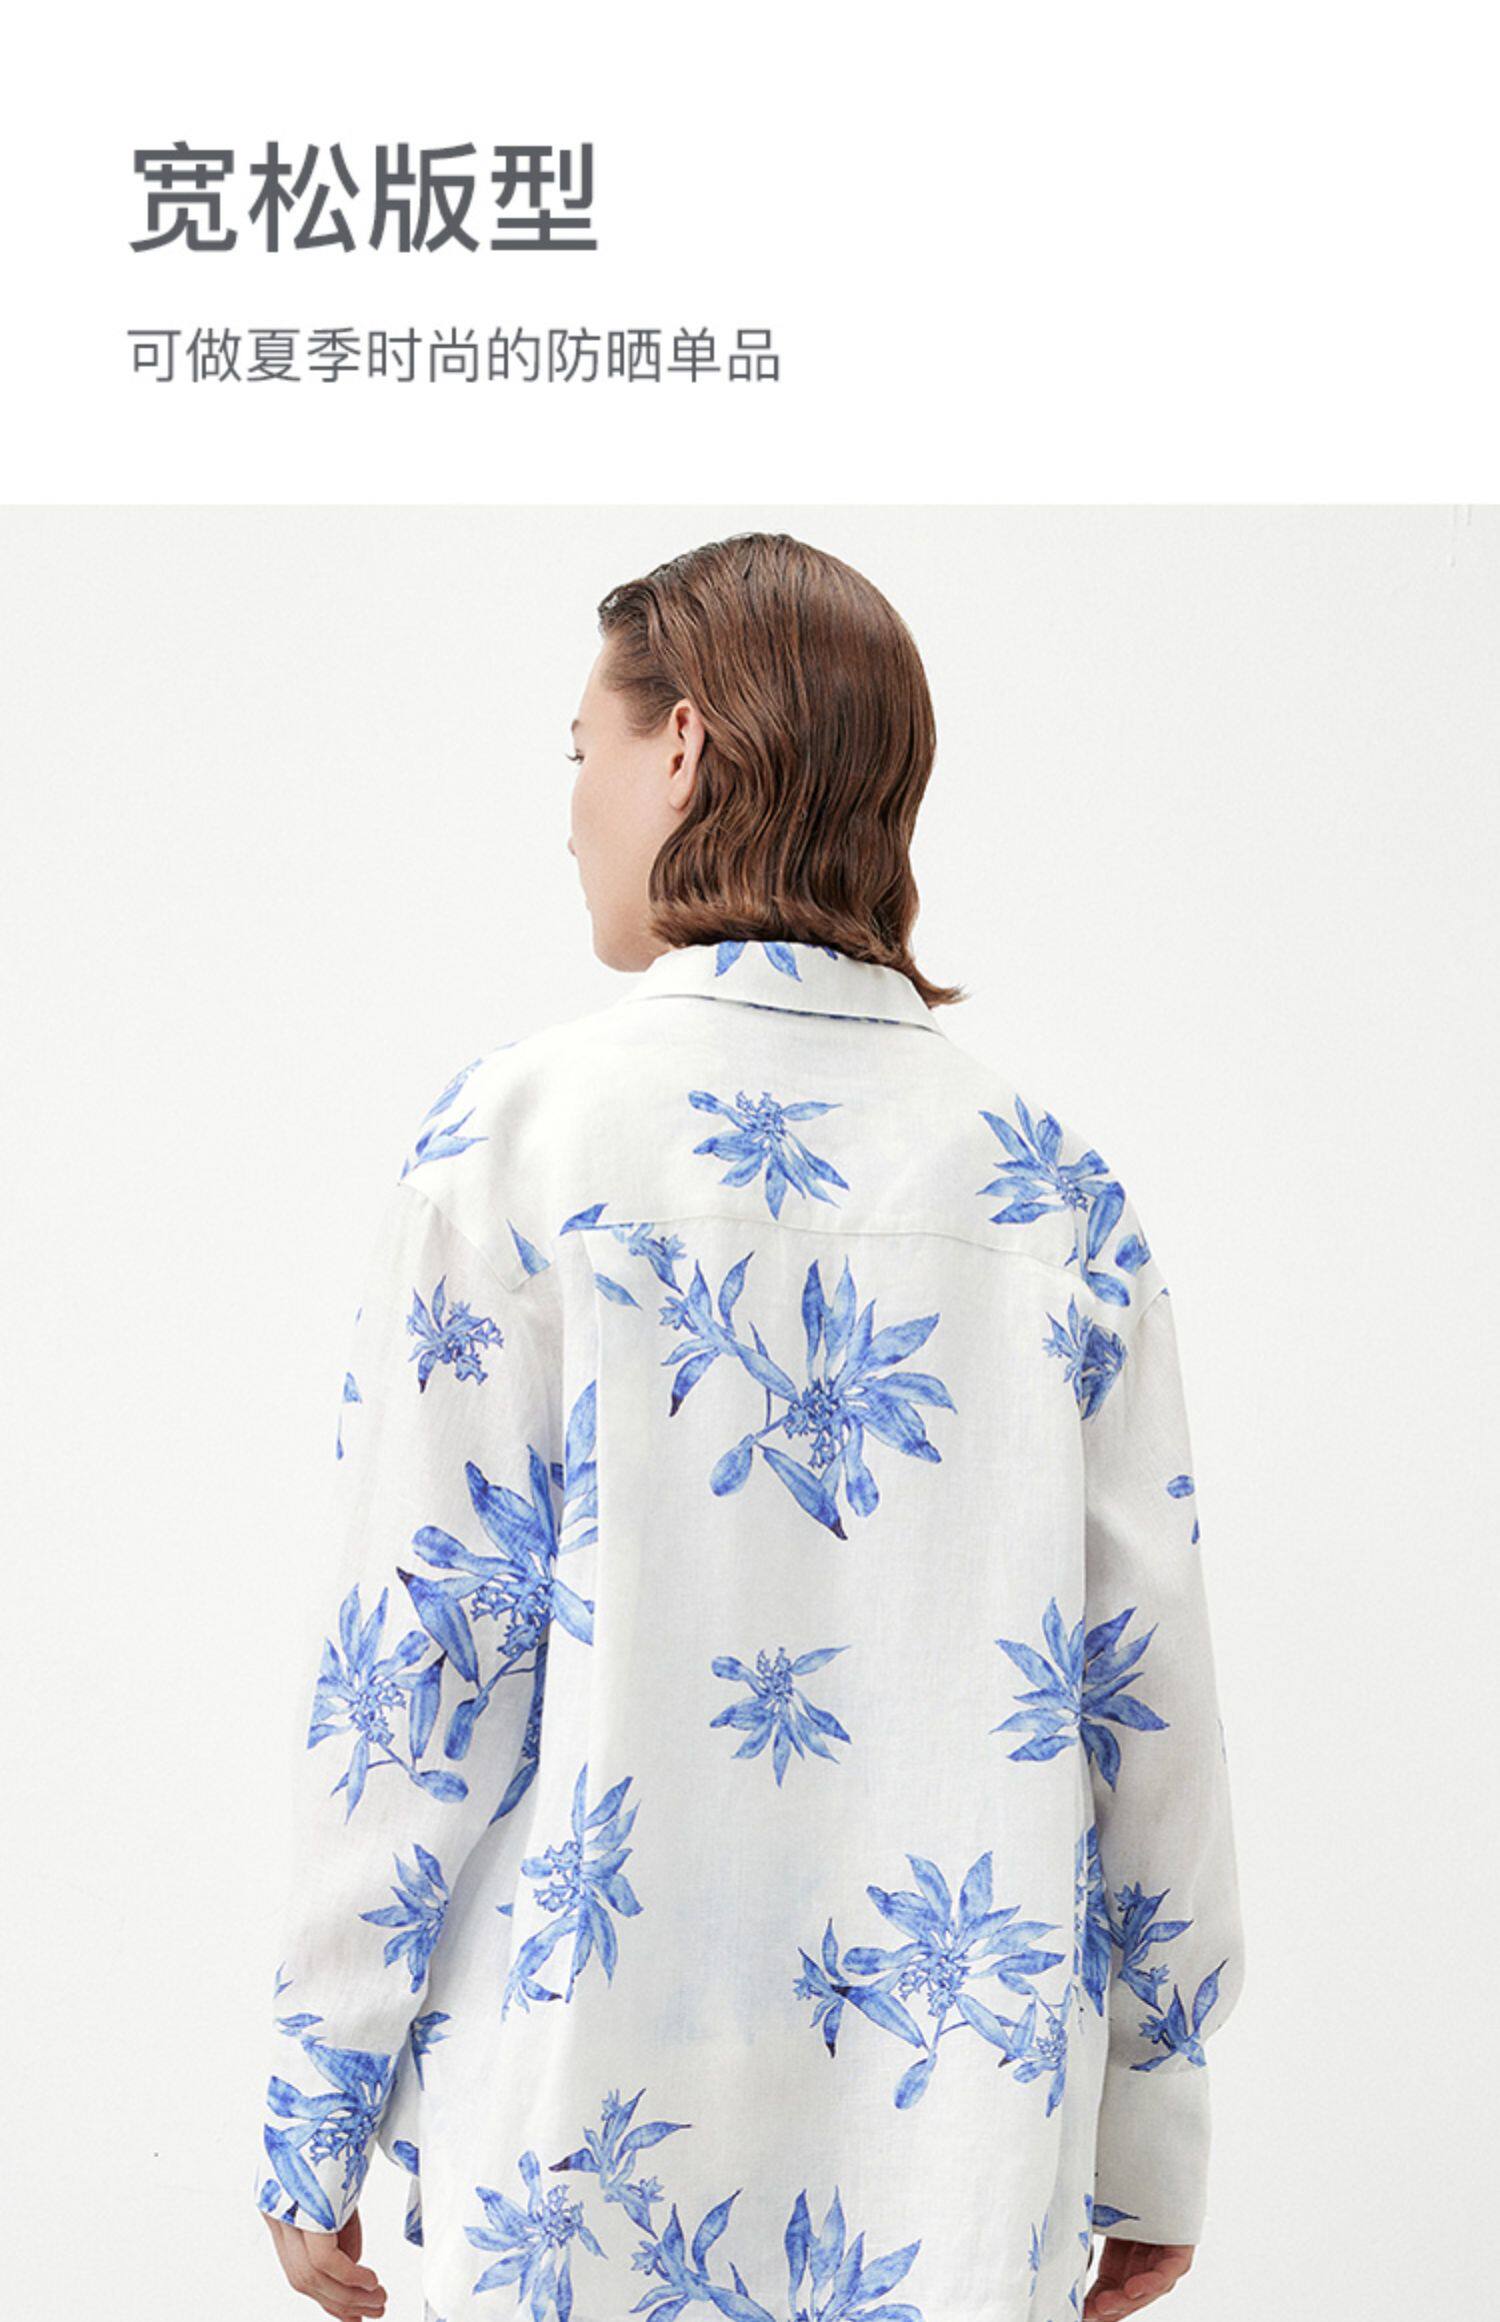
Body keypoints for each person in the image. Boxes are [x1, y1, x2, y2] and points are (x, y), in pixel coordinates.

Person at [253, 532, 1245, 2322]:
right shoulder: (1046, 1189)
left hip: (574, 2156)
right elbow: (1143, 1701)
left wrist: (318, 2100)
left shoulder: (518, 1143)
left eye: (582, 749)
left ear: (686, 745)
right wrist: (1156, 2127)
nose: (568, 812)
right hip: (960, 2170)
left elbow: (419, 1672)